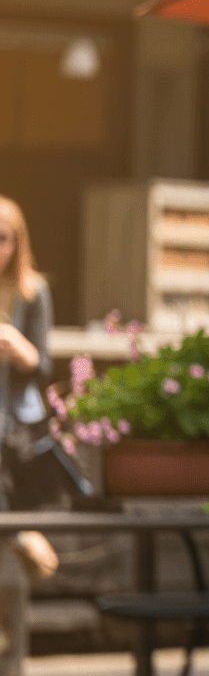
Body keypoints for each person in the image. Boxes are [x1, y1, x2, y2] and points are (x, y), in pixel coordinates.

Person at [0, 195, 51, 505]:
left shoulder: (32, 291)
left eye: (3, 239)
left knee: (24, 531)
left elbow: (41, 366)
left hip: (17, 429)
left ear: (18, 243)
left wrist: (17, 347)